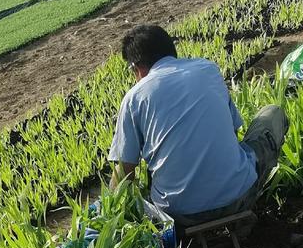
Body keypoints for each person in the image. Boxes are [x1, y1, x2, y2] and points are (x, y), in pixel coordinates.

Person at [108, 24, 288, 228]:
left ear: (137, 68)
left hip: (176, 217)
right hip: (237, 198)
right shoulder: (208, 69)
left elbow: (124, 172)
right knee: (273, 113)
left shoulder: (134, 98)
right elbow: (232, 131)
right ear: (171, 51)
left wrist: (109, 213)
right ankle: (241, 217)